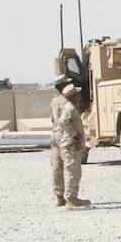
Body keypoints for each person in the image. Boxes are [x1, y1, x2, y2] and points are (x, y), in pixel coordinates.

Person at [57, 84, 90, 210]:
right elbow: (63, 122)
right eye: (78, 93)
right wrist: (74, 134)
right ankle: (70, 200)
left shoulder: (72, 107)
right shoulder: (70, 108)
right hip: (71, 143)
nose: (80, 95)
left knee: (75, 171)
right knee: (72, 171)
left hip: (73, 143)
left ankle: (74, 198)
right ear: (74, 96)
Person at [49, 74, 71, 206]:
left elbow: (52, 119)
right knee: (69, 165)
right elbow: (67, 121)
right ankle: (71, 196)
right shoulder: (66, 101)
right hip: (64, 134)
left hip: (54, 134)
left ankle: (59, 195)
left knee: (57, 165)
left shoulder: (54, 101)